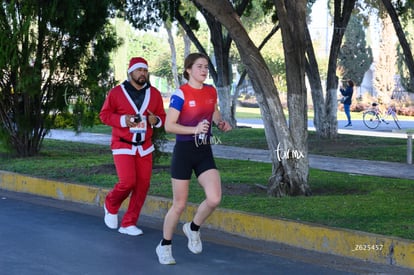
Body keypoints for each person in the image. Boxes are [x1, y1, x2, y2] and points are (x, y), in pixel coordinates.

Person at [156, 53, 232, 265]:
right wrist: (194, 129)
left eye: (206, 67)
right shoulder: (181, 94)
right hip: (184, 151)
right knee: (179, 204)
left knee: (215, 198)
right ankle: (164, 245)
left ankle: (193, 227)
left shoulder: (210, 91)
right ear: (189, 69)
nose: (204, 70)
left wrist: (219, 122)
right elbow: (169, 125)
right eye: (200, 67)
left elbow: (213, 111)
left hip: (204, 150)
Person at [99, 57, 166, 236]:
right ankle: (111, 204)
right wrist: (124, 120)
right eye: (139, 70)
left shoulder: (155, 94)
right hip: (122, 145)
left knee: (142, 186)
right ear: (130, 73)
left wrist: (156, 120)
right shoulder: (116, 93)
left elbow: (162, 117)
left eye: (145, 70)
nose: (142, 73)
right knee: (127, 182)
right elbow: (104, 115)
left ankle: (129, 223)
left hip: (144, 147)